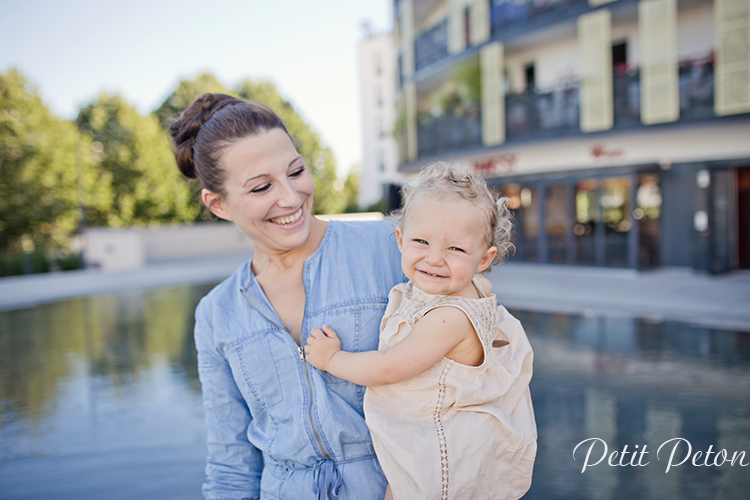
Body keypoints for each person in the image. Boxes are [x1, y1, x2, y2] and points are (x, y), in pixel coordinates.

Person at [170, 93, 405, 500]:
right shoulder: (215, 314)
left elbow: (471, 377)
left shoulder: (392, 248)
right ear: (219, 203)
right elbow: (230, 464)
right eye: (262, 187)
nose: (291, 197)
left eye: (296, 172)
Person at [305, 163, 537, 500]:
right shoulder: (472, 286)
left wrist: (332, 359)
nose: (434, 258)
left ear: (484, 258)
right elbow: (481, 286)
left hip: (441, 459)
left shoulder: (449, 317)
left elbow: (388, 367)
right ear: (400, 239)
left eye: (455, 249)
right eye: (421, 241)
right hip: (431, 445)